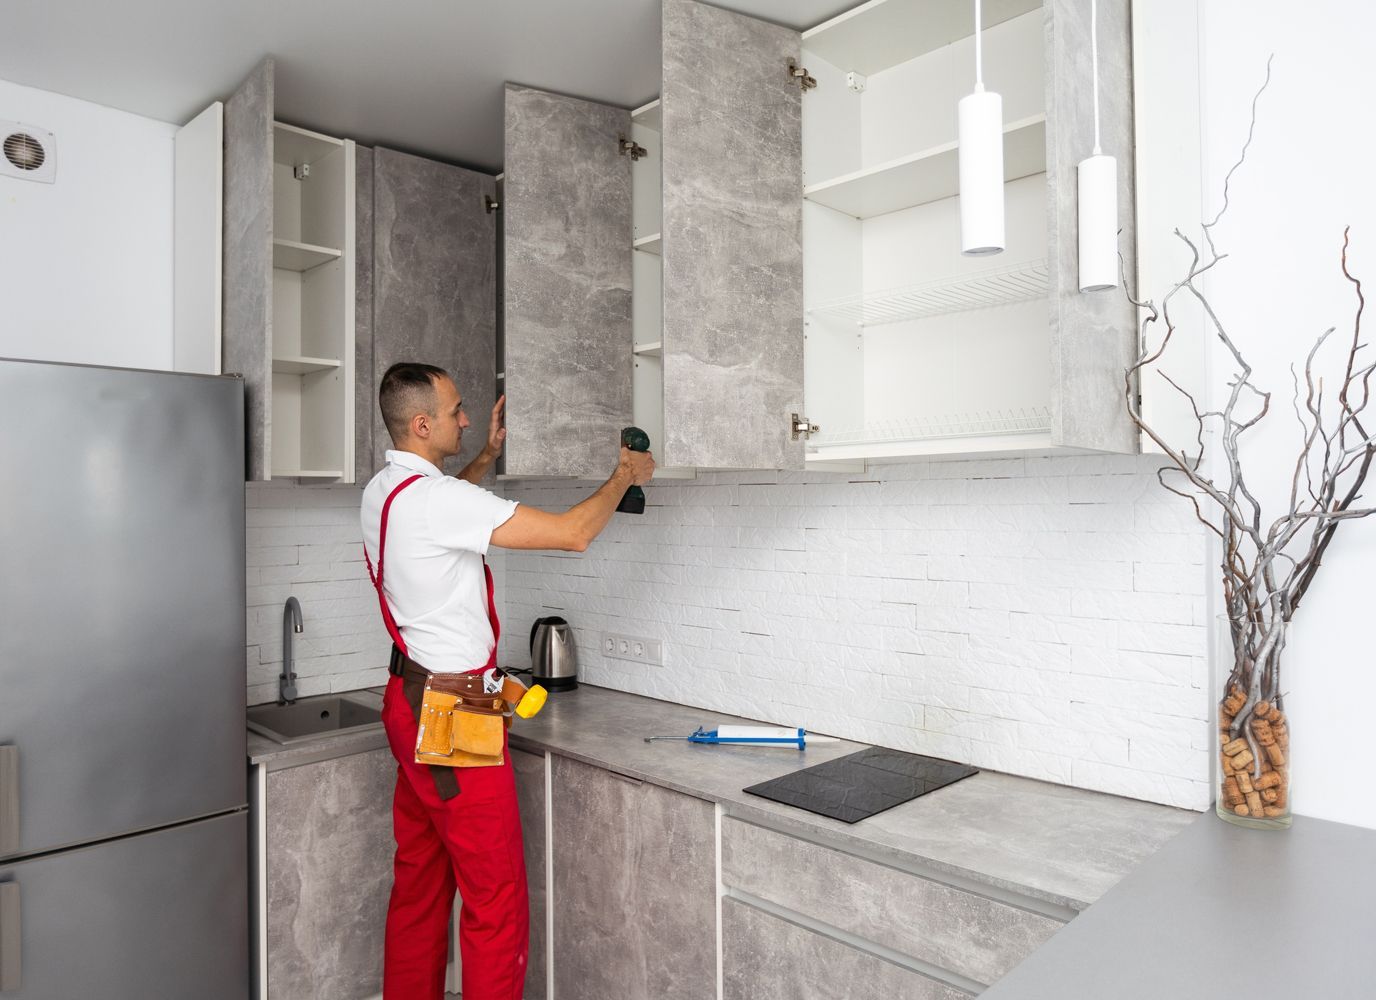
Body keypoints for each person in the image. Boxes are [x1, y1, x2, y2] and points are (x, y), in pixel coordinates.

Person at [360, 362, 654, 1000]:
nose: (468, 418)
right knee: (495, 897)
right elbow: (573, 535)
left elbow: (451, 510)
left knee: (421, 881)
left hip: (406, 697)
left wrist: (488, 457)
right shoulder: (439, 501)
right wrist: (622, 477)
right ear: (421, 423)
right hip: (453, 706)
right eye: (457, 410)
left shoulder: (387, 491)